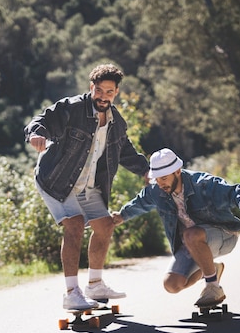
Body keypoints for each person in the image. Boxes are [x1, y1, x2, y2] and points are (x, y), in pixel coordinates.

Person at [24, 63, 149, 310]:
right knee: (75, 224)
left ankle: (95, 284)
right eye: (99, 90)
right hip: (57, 179)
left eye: (109, 92)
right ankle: (71, 292)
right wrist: (36, 134)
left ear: (116, 93)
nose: (103, 96)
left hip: (88, 183)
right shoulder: (73, 108)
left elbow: (126, 151)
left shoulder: (117, 122)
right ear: (91, 87)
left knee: (105, 226)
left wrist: (146, 170)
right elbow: (41, 120)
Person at [112, 147, 240, 307]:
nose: (160, 183)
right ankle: (213, 269)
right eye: (156, 179)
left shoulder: (203, 183)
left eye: (164, 178)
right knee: (171, 284)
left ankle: (212, 286)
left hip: (224, 235)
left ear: (177, 171)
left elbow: (236, 191)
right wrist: (121, 216)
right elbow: (140, 202)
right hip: (191, 242)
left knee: (191, 234)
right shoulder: (157, 190)